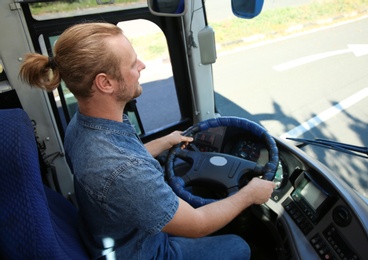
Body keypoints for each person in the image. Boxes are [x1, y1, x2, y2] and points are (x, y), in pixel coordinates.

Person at [19, 22, 276, 259]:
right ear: (105, 83)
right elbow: (197, 224)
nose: (142, 66)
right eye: (132, 64)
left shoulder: (83, 123)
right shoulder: (122, 170)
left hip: (117, 234)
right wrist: (249, 194)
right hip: (146, 252)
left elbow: (124, 161)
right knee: (239, 246)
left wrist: (164, 141)